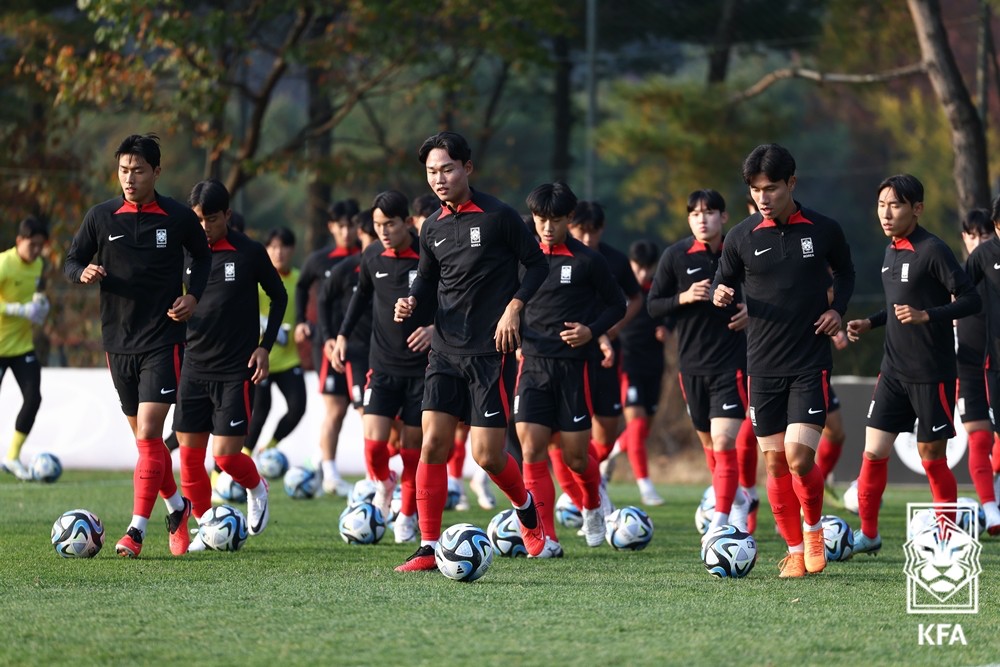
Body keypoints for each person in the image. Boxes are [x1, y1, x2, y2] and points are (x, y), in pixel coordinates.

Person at [393, 131, 549, 570]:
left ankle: (525, 508)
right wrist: (411, 303)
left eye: (447, 169)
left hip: (489, 353)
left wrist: (514, 308)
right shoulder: (433, 228)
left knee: (486, 455)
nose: (439, 180)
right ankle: (427, 546)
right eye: (431, 173)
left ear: (467, 168)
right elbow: (426, 282)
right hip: (444, 350)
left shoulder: (499, 217)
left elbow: (537, 265)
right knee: (433, 444)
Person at [64, 133, 212, 558]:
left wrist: (193, 297)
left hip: (164, 340)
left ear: (156, 172)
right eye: (124, 170)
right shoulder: (101, 216)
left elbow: (202, 258)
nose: (129, 178)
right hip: (117, 343)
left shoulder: (178, 217)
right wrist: (83, 273)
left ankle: (136, 531)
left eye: (138, 170)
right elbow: (72, 259)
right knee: (146, 445)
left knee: (150, 433)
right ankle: (177, 507)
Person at [713, 143, 855, 578]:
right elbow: (724, 279)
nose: (763, 197)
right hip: (762, 366)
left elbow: (846, 272)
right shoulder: (740, 236)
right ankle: (794, 550)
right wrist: (722, 294)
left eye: (771, 188)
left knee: (798, 458)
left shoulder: (823, 229)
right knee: (773, 463)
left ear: (791, 183)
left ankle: (813, 531)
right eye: (756, 190)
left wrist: (838, 309)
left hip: (810, 362)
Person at [848, 175, 983, 552]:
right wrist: (871, 322)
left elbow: (972, 300)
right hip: (892, 371)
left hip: (931, 373)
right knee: (873, 451)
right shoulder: (891, 251)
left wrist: (929, 315)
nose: (886, 214)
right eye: (881, 205)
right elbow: (897, 306)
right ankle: (870, 535)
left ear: (916, 209)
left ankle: (944, 536)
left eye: (895, 205)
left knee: (931, 457)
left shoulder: (933, 250)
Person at [174, 180, 286, 549]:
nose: (203, 227)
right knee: (190, 459)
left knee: (224, 457)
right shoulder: (184, 252)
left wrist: (265, 347)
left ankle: (257, 486)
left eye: (211, 219)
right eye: (197, 220)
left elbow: (279, 296)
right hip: (194, 367)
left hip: (234, 370)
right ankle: (207, 527)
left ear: (227, 216)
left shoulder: (248, 251)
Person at [516, 182, 626, 553]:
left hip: (573, 368)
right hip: (531, 364)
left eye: (555, 220)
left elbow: (618, 305)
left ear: (569, 219)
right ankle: (544, 536)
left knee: (576, 456)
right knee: (531, 450)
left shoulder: (587, 260)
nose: (547, 227)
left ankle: (593, 506)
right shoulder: (521, 257)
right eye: (540, 219)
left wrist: (591, 331)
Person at [331, 191, 434, 543]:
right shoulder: (372, 253)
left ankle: (406, 514)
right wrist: (342, 334)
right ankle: (383, 483)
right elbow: (361, 295)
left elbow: (453, 297)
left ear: (407, 222)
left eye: (390, 224)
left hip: (422, 370)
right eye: (377, 225)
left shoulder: (427, 254)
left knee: (410, 450)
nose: (383, 232)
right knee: (374, 446)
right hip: (383, 365)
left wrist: (435, 330)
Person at [648, 190, 752, 533]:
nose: (702, 219)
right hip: (691, 368)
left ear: (723, 217)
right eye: (695, 214)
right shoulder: (675, 256)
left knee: (724, 443)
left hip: (731, 364)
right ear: (688, 219)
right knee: (711, 447)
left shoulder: (739, 251)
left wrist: (752, 311)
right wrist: (684, 296)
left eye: (709, 213)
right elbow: (653, 305)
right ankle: (737, 499)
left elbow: (767, 291)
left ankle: (721, 521)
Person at [567, 201, 644, 496]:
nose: (587, 238)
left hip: (608, 354)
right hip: (571, 354)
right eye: (581, 231)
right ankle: (579, 492)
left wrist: (615, 327)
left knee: (607, 432)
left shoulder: (614, 260)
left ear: (602, 230)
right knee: (569, 431)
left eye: (593, 231)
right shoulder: (561, 259)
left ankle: (587, 479)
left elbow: (635, 298)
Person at [294, 199, 361, 496]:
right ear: (331, 227)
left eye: (351, 226)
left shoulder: (369, 256)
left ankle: (380, 475)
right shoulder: (319, 260)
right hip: (328, 345)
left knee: (368, 411)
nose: (347, 232)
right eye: (341, 226)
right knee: (335, 410)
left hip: (365, 344)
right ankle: (330, 473)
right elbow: (300, 286)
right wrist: (300, 321)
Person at [954, 202, 1000, 534]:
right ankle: (990, 510)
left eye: (983, 234)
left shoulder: (992, 266)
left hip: (993, 363)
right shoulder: (959, 273)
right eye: (973, 235)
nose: (979, 241)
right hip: (967, 366)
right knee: (980, 438)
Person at [616, 240, 670, 505]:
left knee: (643, 428)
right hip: (628, 363)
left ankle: (612, 451)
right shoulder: (619, 289)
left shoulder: (658, 291)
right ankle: (645, 486)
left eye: (647, 269)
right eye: (638, 268)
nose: (642, 275)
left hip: (654, 364)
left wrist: (666, 329)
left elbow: (671, 314)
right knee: (636, 424)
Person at [246, 227, 307, 454]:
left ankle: (268, 449)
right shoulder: (258, 282)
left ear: (292, 250)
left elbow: (305, 313)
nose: (278, 252)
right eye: (272, 247)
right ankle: (243, 458)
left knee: (298, 408)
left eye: (283, 247)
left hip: (289, 359)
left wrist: (304, 326)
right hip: (261, 358)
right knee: (260, 411)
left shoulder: (300, 280)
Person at [0, 217, 50, 480]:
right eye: (32, 245)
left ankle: (12, 457)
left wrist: (41, 306)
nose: (36, 251)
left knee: (34, 398)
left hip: (21, 346)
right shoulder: (4, 263)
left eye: (40, 246)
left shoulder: (39, 264)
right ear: (19, 241)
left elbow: (34, 294)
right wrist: (18, 309)